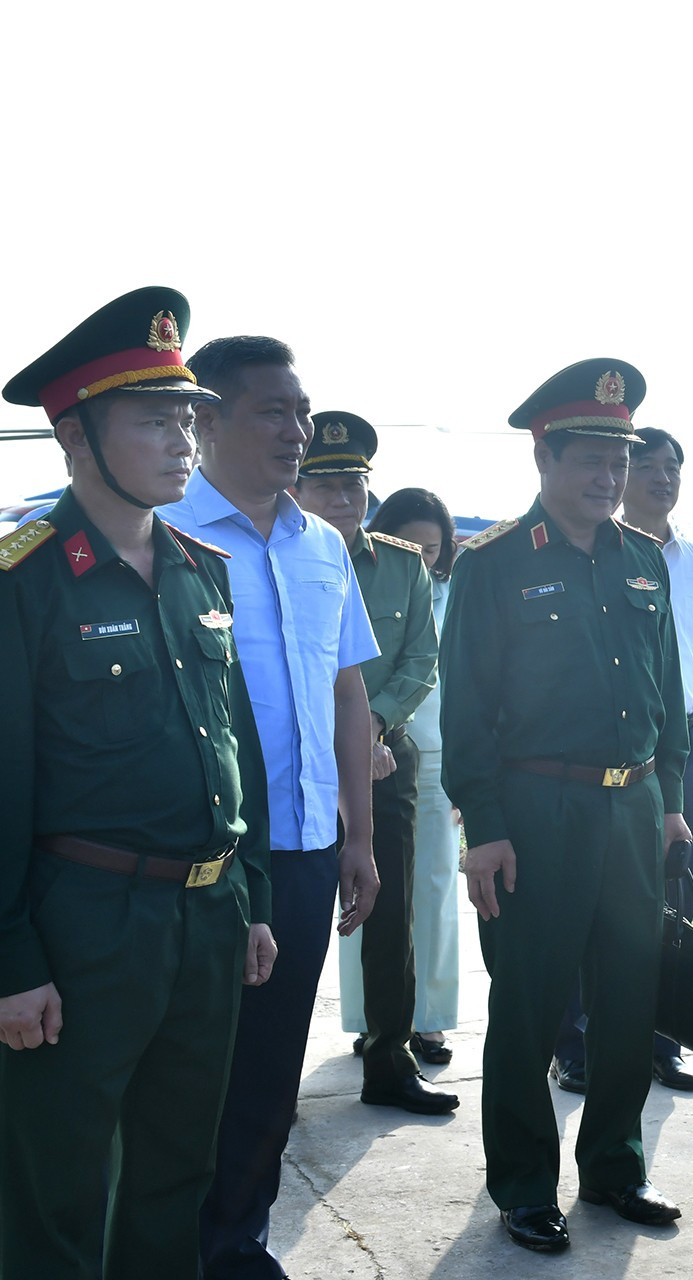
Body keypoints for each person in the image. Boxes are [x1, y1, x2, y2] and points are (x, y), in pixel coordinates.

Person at [0, 287, 276, 1279]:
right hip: (83, 925)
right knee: (56, 1187)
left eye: (188, 419)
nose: (183, 441)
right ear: (75, 434)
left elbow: (233, 745)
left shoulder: (203, 569)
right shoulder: (24, 578)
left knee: (175, 1174)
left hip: (204, 919)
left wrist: (252, 896)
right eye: (154, 421)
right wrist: (11, 959)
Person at [439, 358, 691, 1254]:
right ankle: (522, 1184)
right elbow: (467, 711)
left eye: (620, 459)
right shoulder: (495, 564)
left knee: (628, 999)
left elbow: (667, 693)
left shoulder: (644, 560)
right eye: (591, 458)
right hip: (537, 809)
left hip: (633, 809)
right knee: (531, 1004)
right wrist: (484, 828)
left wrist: (669, 799)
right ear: (544, 457)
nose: (610, 476)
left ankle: (616, 1167)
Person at [157, 336, 381, 1280]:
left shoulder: (323, 545)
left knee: (269, 1070)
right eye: (273, 412)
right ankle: (160, 1247)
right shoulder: (162, 531)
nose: (298, 431)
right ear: (206, 421)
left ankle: (237, 1245)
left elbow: (347, 695)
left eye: (302, 412)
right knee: (182, 1071)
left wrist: (359, 835)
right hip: (197, 857)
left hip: (302, 850)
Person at [551, 426, 693, 1096]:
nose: (663, 478)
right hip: (610, 748)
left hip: (681, 746)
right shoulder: (594, 552)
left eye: (673, 468)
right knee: (587, 893)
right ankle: (574, 1043)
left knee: (671, 894)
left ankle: (663, 1040)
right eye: (649, 466)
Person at [295, 415, 455, 1116]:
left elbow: (421, 658)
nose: (342, 500)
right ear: (297, 488)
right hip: (295, 762)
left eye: (353, 485)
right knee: (289, 915)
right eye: (325, 486)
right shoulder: (276, 556)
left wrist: (374, 728)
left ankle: (390, 1058)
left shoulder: (401, 564)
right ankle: (266, 1073)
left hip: (385, 759)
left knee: (391, 915)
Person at [363, 487, 462, 1063]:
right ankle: (373, 1017)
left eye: (432, 548)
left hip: (440, 758)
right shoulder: (367, 582)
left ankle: (429, 1018)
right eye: (410, 546)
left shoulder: (458, 593)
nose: (422, 558)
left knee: (434, 887)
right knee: (372, 891)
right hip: (376, 751)